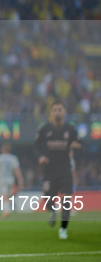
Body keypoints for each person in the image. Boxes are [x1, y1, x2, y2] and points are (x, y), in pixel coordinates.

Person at [34, 101, 81, 239]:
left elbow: (81, 145)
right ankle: (52, 212)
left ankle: (63, 229)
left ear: (64, 112)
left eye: (60, 109)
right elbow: (35, 147)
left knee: (66, 200)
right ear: (51, 112)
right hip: (49, 170)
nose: (57, 112)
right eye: (55, 110)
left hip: (65, 169)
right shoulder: (44, 129)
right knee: (48, 199)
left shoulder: (71, 129)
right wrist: (41, 156)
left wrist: (77, 147)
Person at [0, 143, 24, 218]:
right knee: (8, 196)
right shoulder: (13, 158)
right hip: (11, 180)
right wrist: (20, 180)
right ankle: (9, 209)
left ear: (2, 149)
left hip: (2, 179)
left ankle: (6, 210)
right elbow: (17, 170)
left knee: (4, 195)